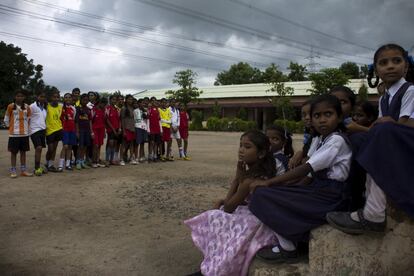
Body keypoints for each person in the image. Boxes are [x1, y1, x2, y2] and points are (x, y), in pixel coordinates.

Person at [248, 95, 352, 263]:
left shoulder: (336, 141)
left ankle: (288, 247)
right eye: (317, 116)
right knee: (269, 193)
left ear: (339, 117)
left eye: (328, 114)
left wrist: (270, 182)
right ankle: (291, 240)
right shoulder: (321, 139)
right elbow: (309, 175)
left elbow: (307, 168)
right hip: (320, 190)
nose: (322, 120)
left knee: (262, 195)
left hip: (332, 197)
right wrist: (285, 188)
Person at [327, 43, 414, 234]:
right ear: (377, 70)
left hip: (407, 144)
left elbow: (405, 124)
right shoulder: (384, 98)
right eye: (383, 63)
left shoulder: (409, 90)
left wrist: (386, 125)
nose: (390, 66)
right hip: (393, 140)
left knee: (379, 135)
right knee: (361, 141)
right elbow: (380, 125)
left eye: (396, 61)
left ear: (406, 66)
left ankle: (373, 214)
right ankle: (360, 199)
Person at [185, 130, 277, 276]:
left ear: (261, 154)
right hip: (255, 215)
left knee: (214, 216)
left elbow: (228, 207)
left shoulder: (249, 179)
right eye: (240, 145)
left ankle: (215, 266)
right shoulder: (259, 172)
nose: (241, 150)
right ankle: (214, 261)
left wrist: (236, 178)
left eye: (247, 147)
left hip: (254, 220)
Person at [4, 89, 33, 178]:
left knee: (23, 152)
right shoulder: (10, 106)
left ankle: (23, 170)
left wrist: (27, 129)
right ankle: (13, 170)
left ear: (24, 97)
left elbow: (29, 119)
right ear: (15, 97)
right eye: (18, 96)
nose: (19, 97)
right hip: (14, 134)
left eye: (21, 96)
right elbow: (6, 118)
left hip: (24, 134)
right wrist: (11, 127)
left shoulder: (27, 107)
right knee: (13, 152)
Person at [288, 100, 313, 169]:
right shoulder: (309, 133)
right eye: (304, 115)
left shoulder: (322, 137)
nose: (307, 117)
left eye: (311, 114)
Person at [29, 90, 47, 176]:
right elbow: (27, 117)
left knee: (40, 149)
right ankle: (36, 168)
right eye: (41, 96)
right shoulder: (32, 106)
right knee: (38, 147)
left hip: (42, 130)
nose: (42, 98)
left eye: (44, 97)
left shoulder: (44, 107)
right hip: (34, 130)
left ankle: (38, 166)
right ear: (37, 97)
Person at [45, 89, 63, 172]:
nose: (56, 99)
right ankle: (47, 162)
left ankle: (50, 164)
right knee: (50, 149)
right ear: (51, 97)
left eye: (57, 97)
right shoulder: (47, 106)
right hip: (49, 130)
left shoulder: (60, 107)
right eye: (54, 97)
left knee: (55, 148)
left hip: (58, 129)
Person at [75, 94, 94, 170]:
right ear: (80, 100)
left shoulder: (88, 109)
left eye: (86, 100)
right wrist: (77, 131)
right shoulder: (78, 108)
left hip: (87, 130)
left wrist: (91, 131)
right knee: (80, 146)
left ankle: (82, 161)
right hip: (81, 129)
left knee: (86, 146)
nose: (85, 101)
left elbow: (90, 121)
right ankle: (78, 162)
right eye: (84, 100)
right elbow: (76, 121)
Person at [59, 93, 77, 171]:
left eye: (69, 97)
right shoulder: (61, 108)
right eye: (66, 97)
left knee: (70, 147)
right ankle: (60, 165)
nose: (68, 99)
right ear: (64, 99)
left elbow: (73, 119)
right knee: (65, 146)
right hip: (64, 130)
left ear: (71, 99)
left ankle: (68, 164)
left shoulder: (73, 108)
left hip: (72, 130)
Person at [91, 97, 108, 168]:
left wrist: (104, 131)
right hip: (95, 129)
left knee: (100, 145)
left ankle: (97, 161)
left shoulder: (104, 110)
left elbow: (104, 121)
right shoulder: (93, 110)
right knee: (95, 145)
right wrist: (91, 132)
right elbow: (90, 121)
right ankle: (93, 161)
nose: (104, 106)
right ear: (100, 103)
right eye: (104, 104)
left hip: (101, 130)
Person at [120, 95, 136, 165]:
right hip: (126, 128)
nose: (130, 101)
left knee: (131, 144)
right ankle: (121, 159)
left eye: (131, 99)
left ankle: (131, 158)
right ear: (126, 100)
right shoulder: (123, 108)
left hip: (132, 128)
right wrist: (123, 131)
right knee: (124, 144)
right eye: (129, 99)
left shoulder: (132, 108)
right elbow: (122, 120)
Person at [105, 94, 121, 165]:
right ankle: (107, 160)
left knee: (114, 144)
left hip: (117, 128)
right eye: (113, 99)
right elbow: (107, 120)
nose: (114, 101)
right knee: (110, 144)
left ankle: (112, 160)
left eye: (115, 100)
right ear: (110, 100)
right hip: (110, 129)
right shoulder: (107, 108)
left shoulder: (117, 109)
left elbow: (119, 119)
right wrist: (113, 129)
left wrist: (119, 128)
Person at [147, 97, 162, 163]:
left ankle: (155, 155)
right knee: (151, 143)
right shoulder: (149, 110)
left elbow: (159, 121)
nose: (154, 102)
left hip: (157, 129)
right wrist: (148, 129)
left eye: (155, 101)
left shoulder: (158, 110)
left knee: (156, 143)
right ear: (151, 102)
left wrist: (161, 130)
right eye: (152, 101)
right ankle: (150, 155)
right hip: (151, 129)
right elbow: (147, 120)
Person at [133, 98, 148, 163]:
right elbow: (134, 120)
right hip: (138, 127)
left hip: (144, 128)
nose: (143, 104)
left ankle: (141, 157)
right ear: (138, 103)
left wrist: (145, 112)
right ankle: (135, 157)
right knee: (137, 143)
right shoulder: (135, 110)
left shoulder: (145, 111)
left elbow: (146, 119)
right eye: (141, 103)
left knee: (142, 143)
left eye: (144, 103)